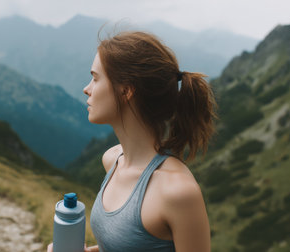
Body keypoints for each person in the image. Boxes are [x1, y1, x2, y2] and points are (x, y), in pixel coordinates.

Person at [49, 30, 216, 252]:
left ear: (126, 91)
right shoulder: (112, 160)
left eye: (96, 78)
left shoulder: (178, 192)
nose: (86, 89)